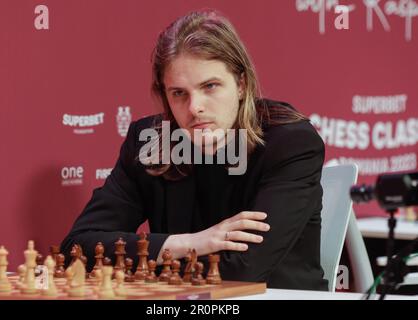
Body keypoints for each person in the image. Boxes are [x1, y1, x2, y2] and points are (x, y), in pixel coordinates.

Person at [60, 10, 328, 290]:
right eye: (179, 93)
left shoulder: (290, 142)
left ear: (241, 84)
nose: (194, 108)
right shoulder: (149, 141)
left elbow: (243, 272)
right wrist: (192, 242)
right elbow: (79, 247)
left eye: (209, 86)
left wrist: (151, 261)